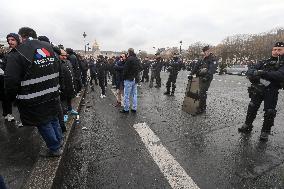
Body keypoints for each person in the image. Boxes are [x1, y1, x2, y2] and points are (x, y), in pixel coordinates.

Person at [5, 27, 63, 157]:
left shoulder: (18, 52)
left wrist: (12, 97)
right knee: (53, 118)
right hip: (53, 91)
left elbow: (10, 80)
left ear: (22, 37)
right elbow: (58, 67)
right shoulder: (48, 47)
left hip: (33, 96)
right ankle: (59, 141)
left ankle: (54, 148)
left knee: (43, 122)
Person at [238, 42, 284, 141]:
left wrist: (262, 73)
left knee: (270, 111)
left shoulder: (282, 63)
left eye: (279, 50)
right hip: (258, 88)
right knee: (252, 107)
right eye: (274, 49)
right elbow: (250, 70)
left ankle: (265, 131)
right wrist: (254, 73)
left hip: (271, 90)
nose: (276, 51)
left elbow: (279, 75)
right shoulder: (264, 61)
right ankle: (247, 125)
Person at [190, 45, 218, 114]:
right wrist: (191, 74)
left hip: (207, 78)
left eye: (207, 51)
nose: (206, 53)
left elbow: (212, 69)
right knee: (199, 91)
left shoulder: (213, 59)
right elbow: (196, 67)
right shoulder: (202, 59)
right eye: (205, 52)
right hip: (200, 77)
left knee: (202, 92)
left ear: (209, 51)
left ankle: (201, 108)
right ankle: (202, 106)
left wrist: (207, 77)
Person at [1, 33, 21, 122]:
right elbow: (3, 66)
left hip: (20, 82)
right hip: (7, 82)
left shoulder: (22, 52)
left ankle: (25, 118)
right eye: (8, 40)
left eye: (12, 40)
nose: (10, 42)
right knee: (6, 98)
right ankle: (7, 114)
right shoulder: (8, 54)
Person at [120, 48, 139, 113]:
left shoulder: (129, 59)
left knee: (126, 95)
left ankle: (126, 109)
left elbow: (125, 70)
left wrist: (123, 77)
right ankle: (134, 108)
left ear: (128, 52)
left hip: (129, 79)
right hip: (135, 78)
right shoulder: (137, 59)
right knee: (134, 94)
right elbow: (141, 67)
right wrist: (135, 74)